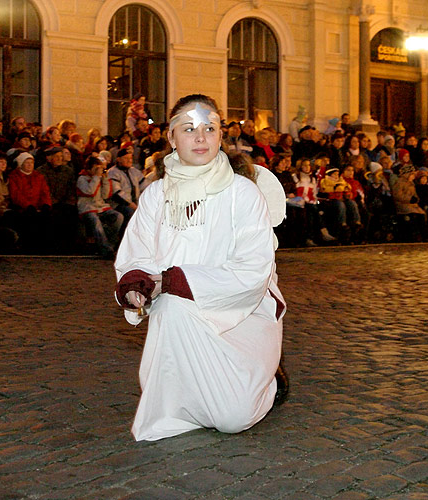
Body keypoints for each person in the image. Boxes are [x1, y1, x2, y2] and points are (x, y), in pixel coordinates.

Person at [114, 94, 288, 441]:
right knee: (174, 306)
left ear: (221, 135)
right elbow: (137, 255)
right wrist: (136, 285)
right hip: (176, 316)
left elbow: (253, 269)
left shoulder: (242, 193)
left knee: (233, 418)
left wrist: (173, 281)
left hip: (240, 314)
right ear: (171, 137)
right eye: (189, 128)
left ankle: (265, 383)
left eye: (210, 128)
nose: (200, 137)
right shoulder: (155, 195)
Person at [77, 156, 122, 259]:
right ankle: (106, 249)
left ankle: (109, 245)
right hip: (87, 208)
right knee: (95, 221)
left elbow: (105, 195)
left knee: (118, 217)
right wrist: (96, 177)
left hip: (100, 206)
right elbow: (90, 192)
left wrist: (105, 180)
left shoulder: (100, 178)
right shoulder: (82, 179)